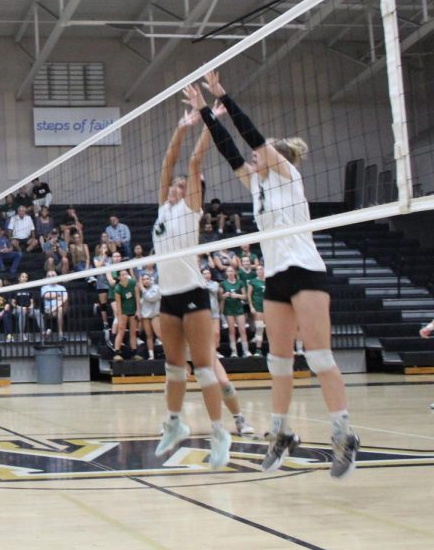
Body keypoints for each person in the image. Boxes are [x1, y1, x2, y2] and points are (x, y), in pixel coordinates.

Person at [199, 70, 358, 477]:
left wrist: (224, 95)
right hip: (277, 278)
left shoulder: (288, 175)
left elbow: (251, 138)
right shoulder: (258, 187)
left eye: (263, 154)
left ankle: (343, 434)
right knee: (278, 362)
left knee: (320, 356)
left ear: (277, 157)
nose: (254, 157)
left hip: (306, 272)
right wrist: (204, 111)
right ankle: (281, 433)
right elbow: (231, 151)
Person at [150, 85, 232, 471]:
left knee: (203, 366)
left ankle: (219, 432)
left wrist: (207, 119)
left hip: (195, 294)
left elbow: (195, 162)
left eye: (181, 186)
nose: (174, 187)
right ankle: (175, 422)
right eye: (173, 185)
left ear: (191, 192)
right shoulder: (163, 212)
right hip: (168, 296)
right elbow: (170, 161)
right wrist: (181, 127)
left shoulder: (190, 210)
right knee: (172, 366)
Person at [220, 266, 251, 357]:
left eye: (231, 271)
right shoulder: (223, 284)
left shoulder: (240, 283)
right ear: (226, 273)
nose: (230, 273)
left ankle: (246, 351)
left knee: (242, 330)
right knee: (232, 331)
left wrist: (237, 295)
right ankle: (234, 352)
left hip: (239, 309)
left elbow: (245, 297)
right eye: (228, 271)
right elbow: (220, 297)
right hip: (229, 310)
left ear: (234, 272)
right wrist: (224, 295)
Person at [136, 273, 161, 360]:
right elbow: (138, 302)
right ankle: (151, 355)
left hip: (155, 314)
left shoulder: (156, 288)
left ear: (151, 279)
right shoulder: (139, 290)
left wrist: (142, 289)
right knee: (149, 336)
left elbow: (151, 297)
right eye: (143, 279)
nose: (146, 281)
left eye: (147, 279)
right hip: (145, 315)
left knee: (159, 334)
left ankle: (170, 354)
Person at [40, 271, 68, 338]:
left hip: (59, 309)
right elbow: (46, 296)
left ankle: (60, 332)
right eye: (49, 276)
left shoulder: (62, 287)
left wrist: (53, 296)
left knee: (60, 308)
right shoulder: (44, 288)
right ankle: (53, 331)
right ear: (46, 278)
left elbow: (65, 298)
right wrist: (58, 295)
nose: (51, 277)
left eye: (53, 275)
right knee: (59, 308)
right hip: (47, 310)